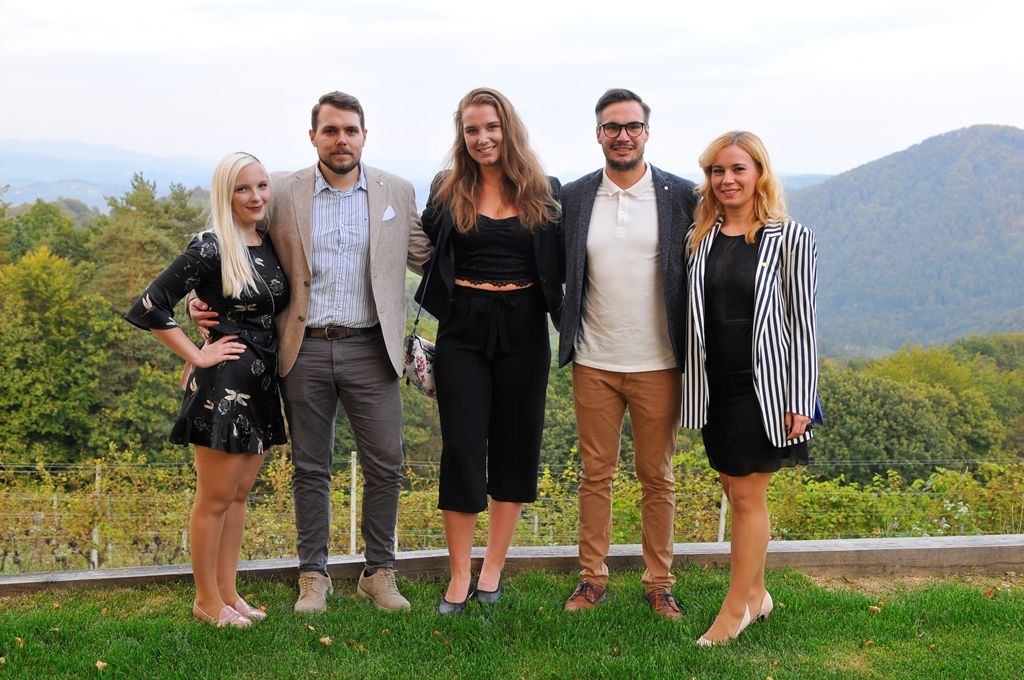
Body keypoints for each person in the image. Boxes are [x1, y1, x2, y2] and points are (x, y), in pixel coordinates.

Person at [192, 92, 430, 613]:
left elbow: (427, 256)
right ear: (313, 136)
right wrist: (200, 297)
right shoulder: (280, 190)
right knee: (310, 467)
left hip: (372, 348)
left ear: (364, 135)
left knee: (386, 464)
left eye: (350, 130)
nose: (341, 140)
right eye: (330, 130)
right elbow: (231, 235)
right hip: (303, 348)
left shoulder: (397, 190)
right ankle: (313, 577)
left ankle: (379, 572)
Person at [415, 87, 563, 614]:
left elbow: (571, 259)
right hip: (462, 328)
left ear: (508, 129)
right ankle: (459, 574)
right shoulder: (447, 189)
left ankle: (493, 568)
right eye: (472, 129)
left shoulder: (545, 190)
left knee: (515, 446)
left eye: (491, 127)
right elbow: (419, 248)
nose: (482, 138)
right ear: (462, 135)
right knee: (461, 448)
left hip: (525, 328)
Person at [125, 152, 288, 628]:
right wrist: (197, 355)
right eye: (243, 188)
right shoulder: (211, 245)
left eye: (261, 185)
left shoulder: (264, 240)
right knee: (214, 499)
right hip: (224, 386)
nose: (256, 196)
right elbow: (150, 304)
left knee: (237, 496)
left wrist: (201, 312)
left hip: (261, 385)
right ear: (224, 194)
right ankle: (206, 601)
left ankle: (228, 593)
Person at [558, 89, 697, 620]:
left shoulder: (681, 195)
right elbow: (556, 269)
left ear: (647, 132)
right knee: (595, 475)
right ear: (598, 134)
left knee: (657, 477)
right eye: (612, 127)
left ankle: (659, 582)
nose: (623, 135)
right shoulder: (575, 197)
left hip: (659, 362)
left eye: (632, 126)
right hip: (594, 360)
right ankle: (591, 578)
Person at [681, 131, 818, 645]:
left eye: (738, 168)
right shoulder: (700, 236)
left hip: (766, 389)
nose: (727, 179)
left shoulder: (790, 237)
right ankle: (758, 595)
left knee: (746, 496)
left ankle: (734, 610)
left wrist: (801, 399)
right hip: (713, 385)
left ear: (759, 172)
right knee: (732, 489)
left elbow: (803, 323)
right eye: (717, 170)